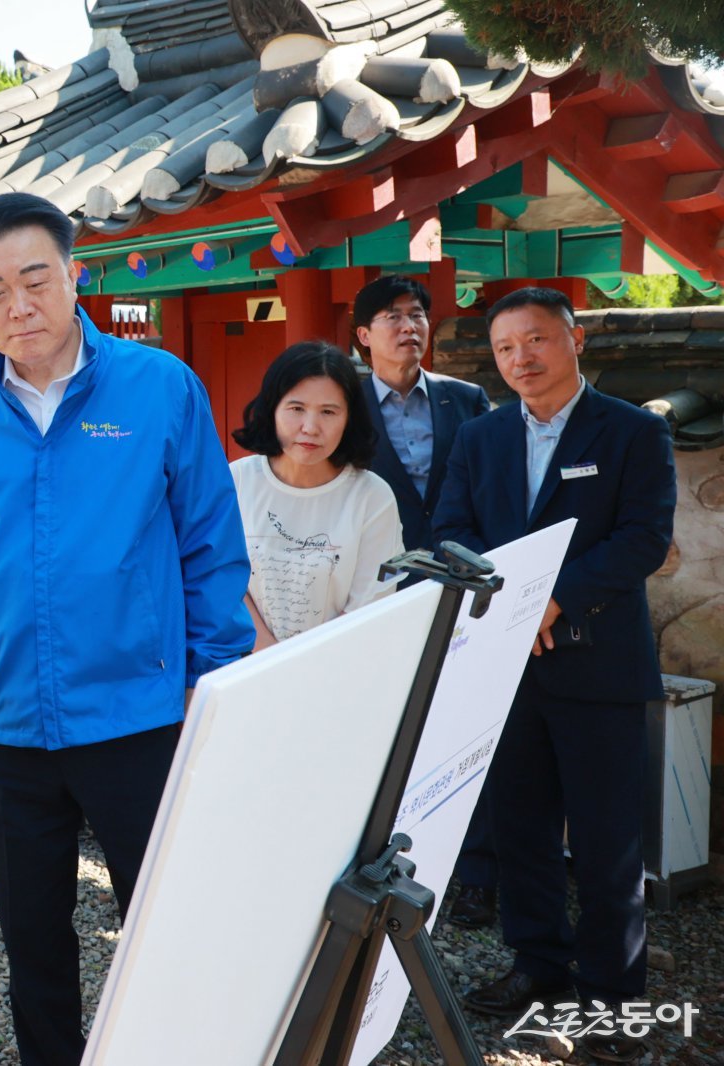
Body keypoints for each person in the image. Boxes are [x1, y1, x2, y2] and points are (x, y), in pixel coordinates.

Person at [0, 192, 253, 1066]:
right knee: (33, 942)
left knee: (166, 928)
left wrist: (208, 680)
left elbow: (212, 547)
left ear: (75, 276)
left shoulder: (160, 388)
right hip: (10, 729)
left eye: (35, 279)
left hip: (140, 717)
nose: (18, 306)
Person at [433, 287, 675, 1065]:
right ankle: (539, 965)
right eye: (505, 348)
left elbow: (644, 537)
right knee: (522, 830)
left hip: (599, 663)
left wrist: (556, 597)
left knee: (608, 844)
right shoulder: (482, 436)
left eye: (535, 340)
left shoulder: (635, 431)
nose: (520, 359)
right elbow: (452, 530)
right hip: (508, 663)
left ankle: (612, 1001)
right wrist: (513, 604)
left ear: (574, 339)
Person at [351, 274, 497, 926]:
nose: (408, 327)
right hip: (375, 594)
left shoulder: (467, 400)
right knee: (385, 734)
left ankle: (478, 873)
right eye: (391, 317)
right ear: (362, 336)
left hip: (459, 595)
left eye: (416, 315)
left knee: (466, 729)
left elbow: (496, 492)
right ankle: (377, 863)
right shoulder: (342, 406)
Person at [229, 340, 404, 648]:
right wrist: (267, 655)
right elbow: (223, 580)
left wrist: (301, 666)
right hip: (244, 667)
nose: (310, 427)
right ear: (272, 408)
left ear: (349, 418)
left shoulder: (372, 497)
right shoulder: (237, 479)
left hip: (340, 669)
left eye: (328, 412)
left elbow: (368, 607)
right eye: (296, 409)